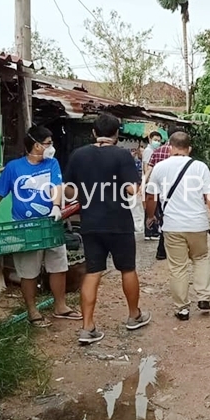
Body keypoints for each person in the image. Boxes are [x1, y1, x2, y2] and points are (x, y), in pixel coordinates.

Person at [0, 125, 81, 328]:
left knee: (58, 266)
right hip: (24, 228)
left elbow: (57, 186)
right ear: (36, 145)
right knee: (28, 271)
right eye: (48, 144)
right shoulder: (14, 168)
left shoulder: (52, 163)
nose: (51, 147)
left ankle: (61, 306)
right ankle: (32, 311)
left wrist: (55, 206)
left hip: (51, 224)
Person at [65, 113, 151, 344]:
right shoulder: (122, 155)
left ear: (93, 132)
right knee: (127, 269)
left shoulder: (78, 155)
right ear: (116, 134)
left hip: (90, 223)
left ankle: (87, 327)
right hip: (118, 222)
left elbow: (69, 193)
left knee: (93, 272)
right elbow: (133, 190)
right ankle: (134, 315)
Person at [145, 131, 210, 321]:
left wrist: (150, 217)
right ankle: (203, 297)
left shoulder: (160, 167)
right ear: (189, 148)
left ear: (170, 147)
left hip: (172, 226)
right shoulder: (200, 167)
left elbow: (150, 196)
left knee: (178, 267)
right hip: (197, 224)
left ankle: (182, 308)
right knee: (201, 259)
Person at [146, 126, 184, 260]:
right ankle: (169, 251)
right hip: (177, 191)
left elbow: (149, 170)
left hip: (158, 191)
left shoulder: (157, 151)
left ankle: (162, 251)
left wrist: (146, 186)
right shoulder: (182, 153)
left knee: (164, 218)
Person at [143, 132, 163, 242]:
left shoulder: (153, 150)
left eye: (159, 140)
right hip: (151, 182)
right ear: (150, 139)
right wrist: (150, 180)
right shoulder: (148, 151)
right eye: (155, 139)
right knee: (152, 207)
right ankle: (151, 231)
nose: (157, 142)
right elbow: (147, 167)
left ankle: (152, 231)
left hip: (153, 182)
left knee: (154, 208)